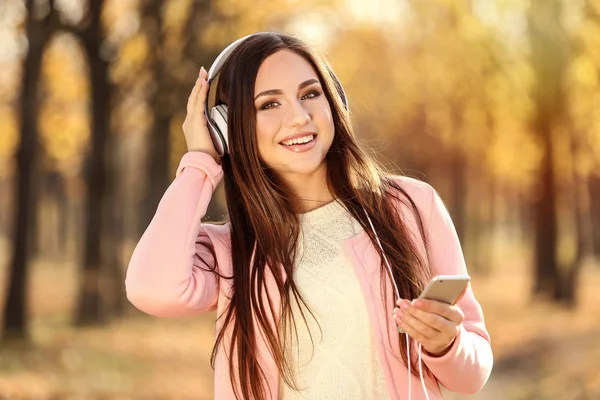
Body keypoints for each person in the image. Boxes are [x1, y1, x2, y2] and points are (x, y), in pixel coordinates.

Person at [125, 32, 493, 400]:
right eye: (269, 104)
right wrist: (201, 163)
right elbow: (150, 288)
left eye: (310, 94)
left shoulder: (410, 206)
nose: (299, 117)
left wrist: (448, 345)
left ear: (334, 101)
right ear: (226, 128)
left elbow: (472, 373)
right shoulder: (231, 252)